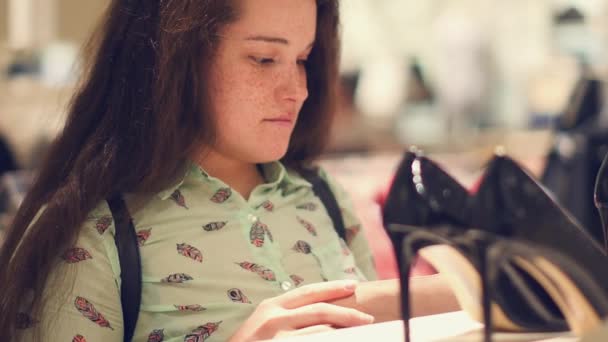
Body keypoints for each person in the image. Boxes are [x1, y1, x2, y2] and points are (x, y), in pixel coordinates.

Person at [0, 1, 459, 341]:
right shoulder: (92, 233)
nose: (296, 90)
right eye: (263, 59)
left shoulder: (323, 197)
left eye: (302, 59)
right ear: (175, 60)